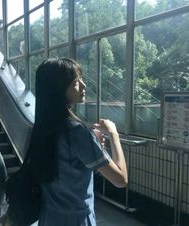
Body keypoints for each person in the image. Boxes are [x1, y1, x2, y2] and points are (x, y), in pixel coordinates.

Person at [28, 57, 128, 226]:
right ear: (58, 89)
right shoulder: (76, 131)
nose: (83, 86)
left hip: (49, 217)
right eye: (76, 81)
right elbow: (120, 180)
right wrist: (113, 134)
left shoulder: (41, 128)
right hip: (77, 220)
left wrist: (92, 145)